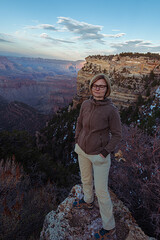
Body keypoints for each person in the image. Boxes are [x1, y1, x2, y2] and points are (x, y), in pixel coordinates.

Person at [73, 73, 122, 239]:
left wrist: (105, 152)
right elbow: (79, 122)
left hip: (99, 156)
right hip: (82, 150)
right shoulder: (85, 104)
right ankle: (87, 201)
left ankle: (109, 227)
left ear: (107, 89)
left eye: (102, 86)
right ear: (91, 87)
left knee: (101, 191)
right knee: (86, 179)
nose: (98, 88)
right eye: (95, 85)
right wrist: (77, 139)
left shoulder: (111, 110)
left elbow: (117, 135)